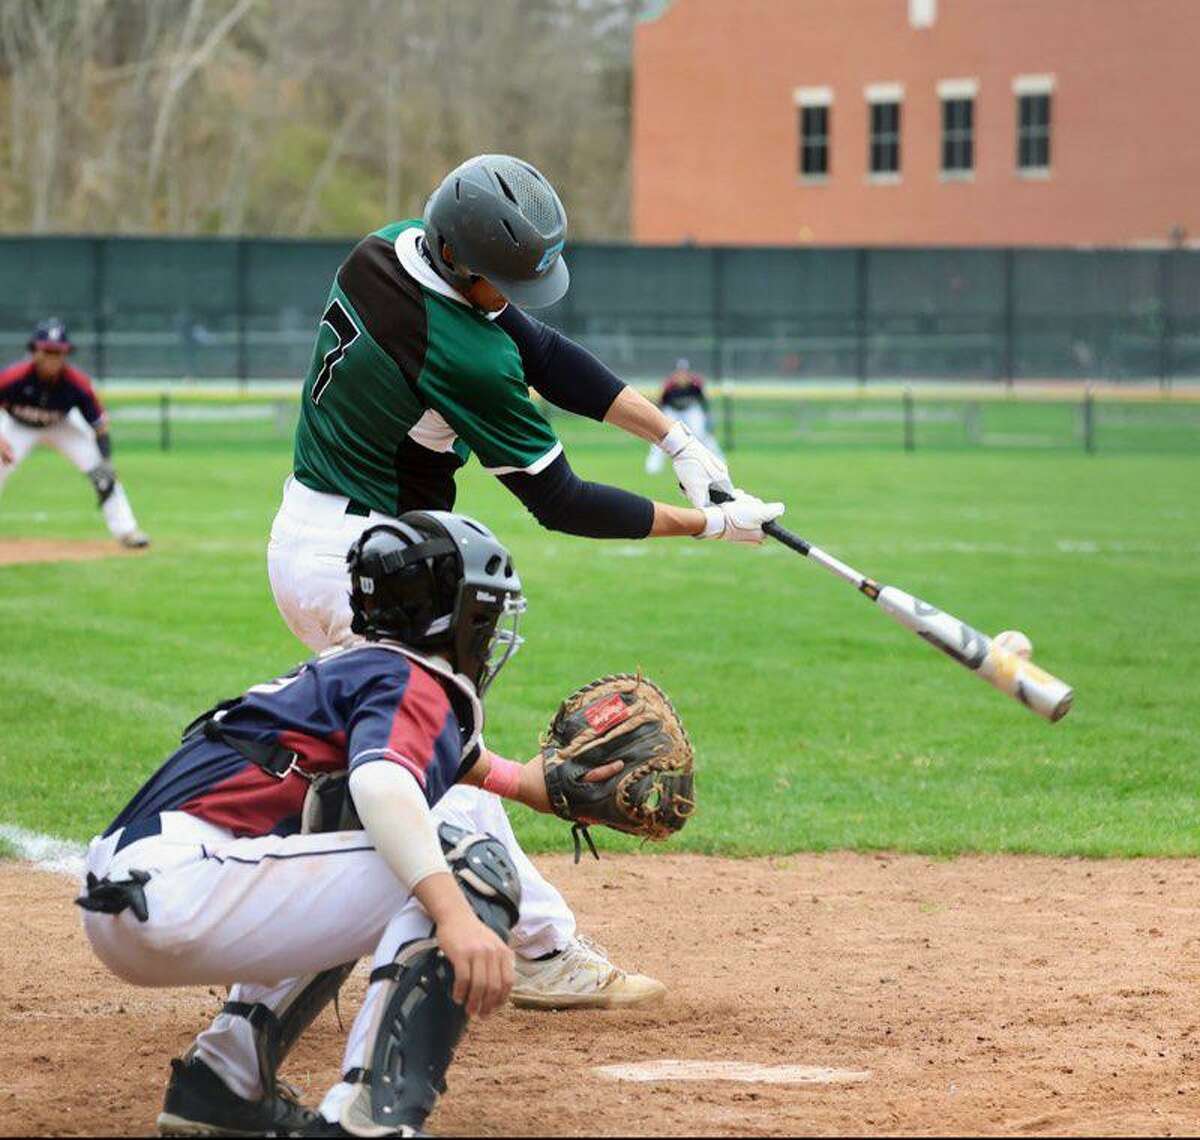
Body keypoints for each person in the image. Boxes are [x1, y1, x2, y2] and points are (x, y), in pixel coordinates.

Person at [267, 153, 783, 1010]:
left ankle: (293, 901)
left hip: (321, 537)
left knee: (384, 755)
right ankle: (538, 946)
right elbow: (561, 500)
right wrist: (709, 525)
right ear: (464, 265)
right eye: (503, 279)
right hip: (362, 565)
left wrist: (678, 442)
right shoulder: (461, 352)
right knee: (438, 746)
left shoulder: (388, 249)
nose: (514, 295)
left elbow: (539, 349)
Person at [78, 512, 584, 1137]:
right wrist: (455, 915)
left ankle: (222, 1085)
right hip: (182, 889)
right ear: (451, 615)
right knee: (463, 866)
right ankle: (367, 1120)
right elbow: (382, 781)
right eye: (483, 611)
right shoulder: (412, 682)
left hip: (138, 891)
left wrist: (530, 786)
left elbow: (439, 757)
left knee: (347, 834)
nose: (490, 630)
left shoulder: (358, 670)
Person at [0, 318, 149, 548]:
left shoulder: (77, 384)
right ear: (34, 351)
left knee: (103, 474)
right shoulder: (13, 378)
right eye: (47, 351)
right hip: (17, 426)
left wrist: (106, 462)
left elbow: (99, 426)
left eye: (58, 352)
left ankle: (127, 531)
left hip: (62, 425)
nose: (52, 358)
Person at [645, 358, 725, 474]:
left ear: (688, 372)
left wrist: (707, 417)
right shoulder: (670, 384)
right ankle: (653, 466)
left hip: (691, 410)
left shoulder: (695, 383)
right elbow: (661, 403)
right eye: (679, 371)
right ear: (676, 372)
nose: (682, 374)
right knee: (662, 435)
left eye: (684, 371)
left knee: (701, 434)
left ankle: (718, 460)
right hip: (672, 410)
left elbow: (703, 401)